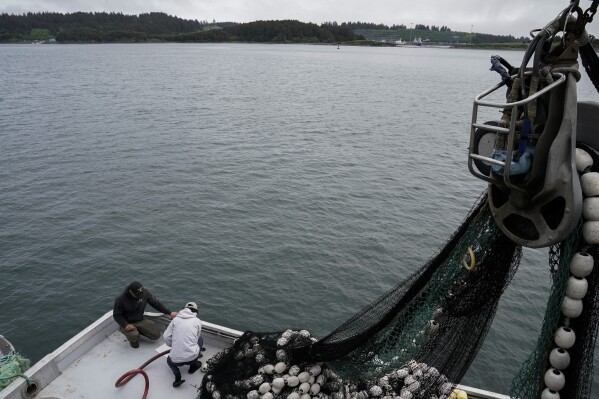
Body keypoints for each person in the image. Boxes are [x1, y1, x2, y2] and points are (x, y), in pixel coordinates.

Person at [113, 281, 178, 348]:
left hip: (140, 319)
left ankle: (138, 330)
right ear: (131, 291)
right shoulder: (120, 300)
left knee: (156, 335)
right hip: (127, 323)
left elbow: (156, 304)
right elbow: (116, 315)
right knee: (134, 338)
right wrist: (125, 325)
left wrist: (169, 312)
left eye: (141, 294)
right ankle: (133, 337)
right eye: (137, 295)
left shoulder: (144, 293)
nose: (139, 297)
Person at [163, 301, 205, 388]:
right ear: (195, 311)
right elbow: (196, 337)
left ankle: (177, 375)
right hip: (192, 358)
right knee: (200, 339)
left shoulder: (175, 320)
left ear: (184, 309)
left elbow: (166, 337)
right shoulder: (197, 321)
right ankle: (192, 367)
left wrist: (173, 345)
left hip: (176, 360)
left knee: (169, 361)